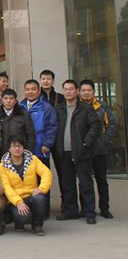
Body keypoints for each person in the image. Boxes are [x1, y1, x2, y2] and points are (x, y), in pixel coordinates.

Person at [55, 80, 101, 224]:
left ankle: (89, 213)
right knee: (67, 183)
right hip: (64, 152)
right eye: (65, 89)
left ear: (76, 91)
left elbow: (95, 126)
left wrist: (85, 143)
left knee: (85, 184)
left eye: (71, 89)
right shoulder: (59, 108)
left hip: (81, 152)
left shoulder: (86, 108)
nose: (68, 92)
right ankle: (71, 211)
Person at [19, 79, 58, 218]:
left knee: (42, 181)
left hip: (40, 150)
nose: (30, 92)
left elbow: (52, 127)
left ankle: (43, 212)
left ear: (39, 91)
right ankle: (26, 212)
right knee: (25, 181)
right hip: (22, 151)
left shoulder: (46, 107)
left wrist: (47, 144)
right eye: (27, 89)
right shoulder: (19, 106)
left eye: (33, 89)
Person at [0, 136, 52, 236]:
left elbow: (46, 173)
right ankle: (19, 222)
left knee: (40, 198)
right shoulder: (3, 166)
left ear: (23, 148)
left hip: (32, 195)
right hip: (16, 199)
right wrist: (18, 203)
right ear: (9, 149)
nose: (17, 149)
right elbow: (6, 187)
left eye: (20, 146)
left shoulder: (33, 159)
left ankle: (37, 226)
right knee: (24, 218)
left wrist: (41, 188)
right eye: (14, 146)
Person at [79, 79, 117, 219]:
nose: (86, 93)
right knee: (84, 181)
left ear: (93, 91)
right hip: (83, 150)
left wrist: (103, 141)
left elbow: (111, 125)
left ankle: (104, 209)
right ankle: (85, 209)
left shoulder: (102, 106)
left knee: (102, 180)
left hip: (99, 150)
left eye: (89, 90)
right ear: (79, 92)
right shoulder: (77, 106)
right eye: (83, 90)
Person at [0, 89, 36, 160]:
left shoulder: (23, 114)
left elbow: (31, 134)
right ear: (2, 100)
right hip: (1, 153)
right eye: (6, 98)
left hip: (20, 152)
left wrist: (28, 151)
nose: (8, 101)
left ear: (15, 101)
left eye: (11, 98)